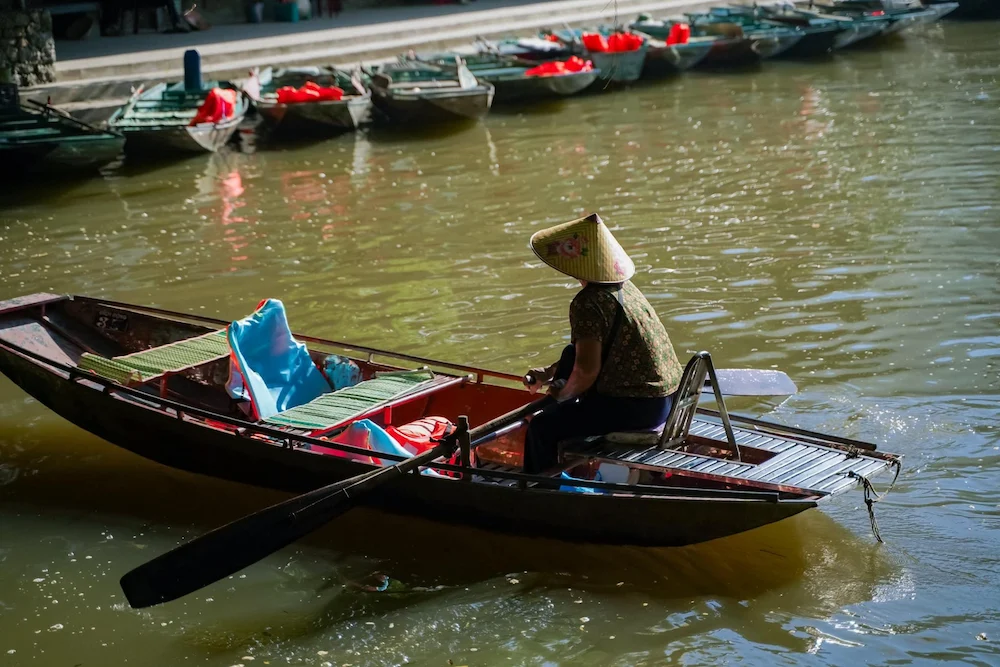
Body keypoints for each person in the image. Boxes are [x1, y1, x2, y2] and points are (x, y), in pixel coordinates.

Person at [521, 213, 683, 474]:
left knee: (542, 428)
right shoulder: (626, 288)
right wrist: (550, 373)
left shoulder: (587, 302)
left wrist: (562, 395)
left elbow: (586, 371)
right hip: (665, 401)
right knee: (569, 352)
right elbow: (587, 353)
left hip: (636, 408)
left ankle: (536, 490)